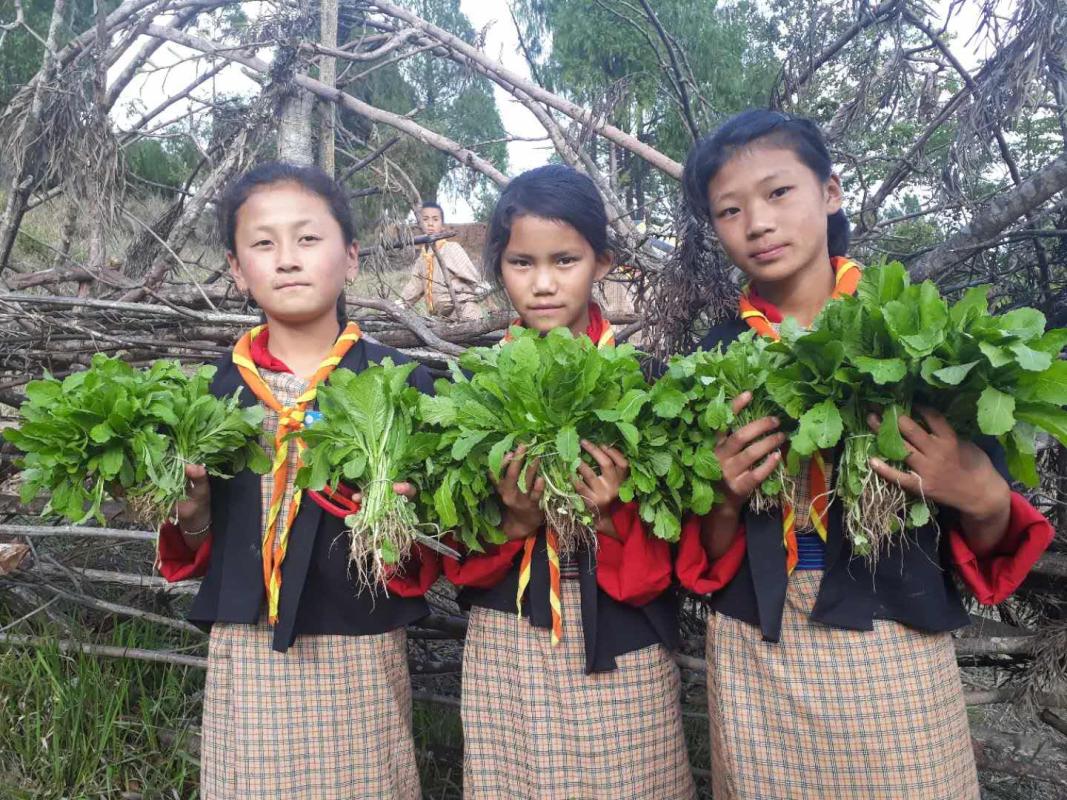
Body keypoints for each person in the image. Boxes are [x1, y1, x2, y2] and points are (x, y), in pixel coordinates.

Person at [675, 109, 1055, 799]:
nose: (757, 222)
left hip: (895, 640)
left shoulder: (918, 331)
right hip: (756, 647)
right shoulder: (713, 359)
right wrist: (723, 496)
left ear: (830, 192)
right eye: (729, 210)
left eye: (778, 192)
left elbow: (993, 532)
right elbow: (705, 543)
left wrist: (976, 491)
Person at [155, 162, 439, 799]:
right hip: (248, 650)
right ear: (235, 269)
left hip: (359, 649)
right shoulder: (212, 394)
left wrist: (397, 521)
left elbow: (435, 537)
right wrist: (192, 507)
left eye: (308, 239)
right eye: (263, 243)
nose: (286, 260)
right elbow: (196, 534)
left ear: (352, 258)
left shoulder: (401, 384)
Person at [443, 164, 696, 800]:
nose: (545, 283)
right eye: (522, 263)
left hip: (622, 638)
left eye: (566, 259)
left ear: (602, 263)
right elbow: (457, 556)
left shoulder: (647, 384)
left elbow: (677, 554)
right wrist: (516, 522)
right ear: (497, 267)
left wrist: (611, 515)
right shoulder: (473, 390)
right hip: (509, 641)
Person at [399, 201, 485, 320]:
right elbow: (414, 286)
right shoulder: (422, 259)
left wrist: (489, 303)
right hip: (443, 317)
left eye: (435, 219)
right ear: (420, 224)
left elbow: (473, 277)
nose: (430, 224)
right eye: (425, 219)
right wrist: (400, 305)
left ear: (442, 225)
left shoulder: (451, 248)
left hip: (464, 309)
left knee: (470, 334)